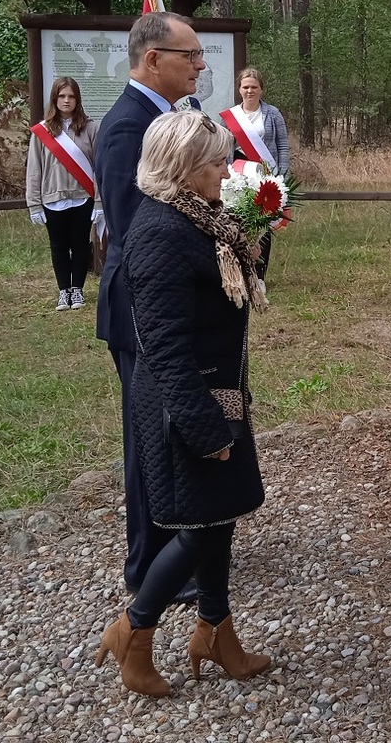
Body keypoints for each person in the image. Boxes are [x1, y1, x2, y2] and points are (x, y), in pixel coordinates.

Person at [94, 111, 271, 697]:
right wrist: (205, 429)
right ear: (184, 169)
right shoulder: (158, 235)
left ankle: (216, 633)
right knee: (196, 528)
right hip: (186, 403)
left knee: (217, 519)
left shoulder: (198, 220)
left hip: (217, 394)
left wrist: (260, 223)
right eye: (218, 162)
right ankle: (133, 631)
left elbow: (234, 283)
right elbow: (165, 348)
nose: (228, 170)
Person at [94, 11, 208, 599]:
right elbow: (135, 228)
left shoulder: (165, 117)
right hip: (143, 311)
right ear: (153, 59)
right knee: (149, 440)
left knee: (172, 432)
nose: (200, 64)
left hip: (166, 306)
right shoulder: (125, 129)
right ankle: (149, 570)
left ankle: (180, 547)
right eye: (189, 54)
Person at [26, 77, 101, 311]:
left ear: (77, 99)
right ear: (55, 99)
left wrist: (99, 201)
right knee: (58, 245)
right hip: (52, 198)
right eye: (62, 96)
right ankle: (63, 291)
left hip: (82, 197)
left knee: (80, 244)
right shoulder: (42, 132)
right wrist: (34, 204)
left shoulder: (90, 128)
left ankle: (77, 289)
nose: (66, 100)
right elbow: (34, 169)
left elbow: (99, 168)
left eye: (71, 96)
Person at [218, 65, 290, 276]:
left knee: (262, 223)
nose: (250, 91)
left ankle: (260, 273)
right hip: (238, 174)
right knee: (238, 221)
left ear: (261, 89)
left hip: (265, 172)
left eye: (254, 87)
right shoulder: (230, 117)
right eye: (246, 86)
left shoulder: (272, 114)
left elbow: (283, 146)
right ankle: (240, 270)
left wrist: (283, 176)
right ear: (239, 89)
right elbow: (223, 147)